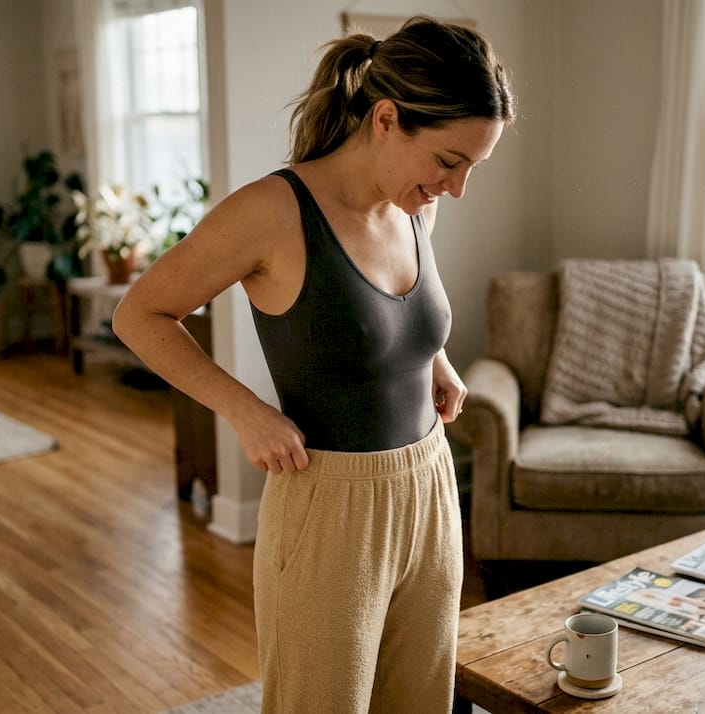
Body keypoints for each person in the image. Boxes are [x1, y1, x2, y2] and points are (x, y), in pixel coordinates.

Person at [111, 16, 514, 714]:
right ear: (386, 119)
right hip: (330, 505)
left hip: (431, 484)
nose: (457, 188)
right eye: (450, 161)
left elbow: (393, 312)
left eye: (472, 167)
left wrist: (433, 359)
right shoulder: (273, 211)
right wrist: (245, 410)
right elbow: (139, 314)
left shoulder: (414, 206)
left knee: (422, 702)